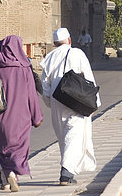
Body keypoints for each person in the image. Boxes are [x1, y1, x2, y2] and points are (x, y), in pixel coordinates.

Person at [0, 35, 43, 192]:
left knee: (2, 147)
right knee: (18, 147)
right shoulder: (24, 67)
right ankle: (12, 173)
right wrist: (37, 116)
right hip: (22, 116)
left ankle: (5, 179)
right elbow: (31, 95)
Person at [40, 27, 100, 185]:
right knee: (74, 135)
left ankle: (69, 170)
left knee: (63, 136)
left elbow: (45, 84)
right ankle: (66, 172)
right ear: (69, 40)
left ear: (55, 43)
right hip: (77, 100)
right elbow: (89, 78)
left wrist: (49, 102)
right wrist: (94, 103)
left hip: (57, 100)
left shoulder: (49, 57)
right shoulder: (77, 54)